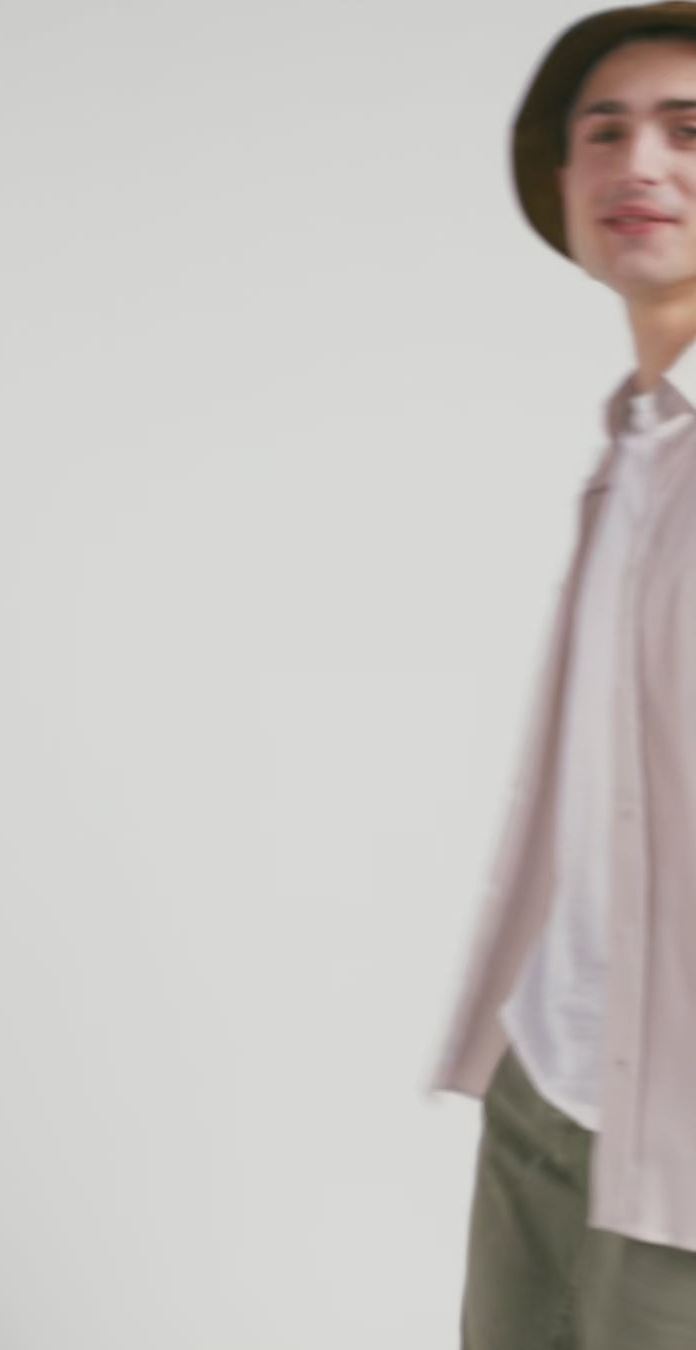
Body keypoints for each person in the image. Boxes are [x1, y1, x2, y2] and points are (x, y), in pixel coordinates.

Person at [424, 4, 696, 1346]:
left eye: (690, 131)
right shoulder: (635, 451)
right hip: (553, 1077)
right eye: (605, 131)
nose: (639, 162)